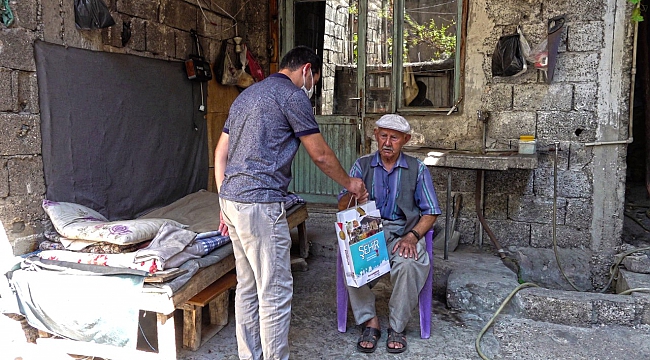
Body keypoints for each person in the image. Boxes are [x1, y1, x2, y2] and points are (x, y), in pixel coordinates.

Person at [214, 46, 367, 360]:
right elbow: (321, 154)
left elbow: (220, 153)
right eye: (315, 79)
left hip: (231, 201)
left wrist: (223, 200)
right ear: (306, 70)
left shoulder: (247, 96)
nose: (311, 86)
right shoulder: (293, 96)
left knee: (247, 286)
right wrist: (350, 183)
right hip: (260, 204)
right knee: (274, 291)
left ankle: (250, 355)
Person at [338, 114, 441, 354]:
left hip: (404, 231)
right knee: (352, 260)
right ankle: (369, 321)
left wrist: (413, 236)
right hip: (368, 231)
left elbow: (431, 212)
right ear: (375, 135)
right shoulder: (361, 165)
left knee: (409, 264)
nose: (387, 142)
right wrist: (354, 197)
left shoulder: (418, 169)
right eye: (383, 135)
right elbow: (341, 206)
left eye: (394, 138)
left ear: (405, 139)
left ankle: (397, 327)